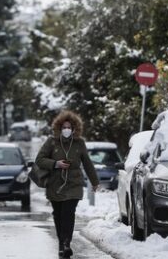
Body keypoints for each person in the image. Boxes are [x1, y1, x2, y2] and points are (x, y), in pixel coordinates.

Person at [35, 110, 99, 258]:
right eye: (64, 127)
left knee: (68, 214)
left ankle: (67, 244)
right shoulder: (51, 142)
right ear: (59, 128)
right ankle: (61, 244)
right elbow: (40, 160)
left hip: (74, 184)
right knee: (58, 215)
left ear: (75, 128)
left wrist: (94, 181)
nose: (66, 130)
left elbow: (87, 163)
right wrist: (56, 164)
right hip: (55, 185)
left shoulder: (79, 143)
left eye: (69, 127)